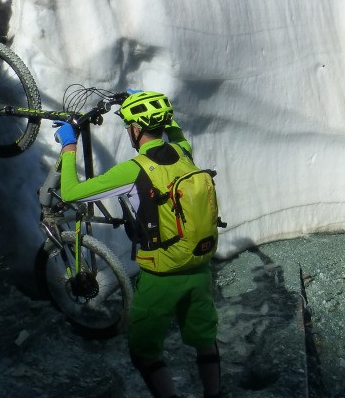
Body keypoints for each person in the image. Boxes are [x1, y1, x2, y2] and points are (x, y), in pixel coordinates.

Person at [53, 91, 222, 398]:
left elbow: (70, 193)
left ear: (135, 129)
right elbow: (176, 133)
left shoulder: (134, 170)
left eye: (129, 125)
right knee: (203, 339)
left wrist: (68, 145)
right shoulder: (184, 154)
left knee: (144, 351)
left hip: (161, 277)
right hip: (200, 268)